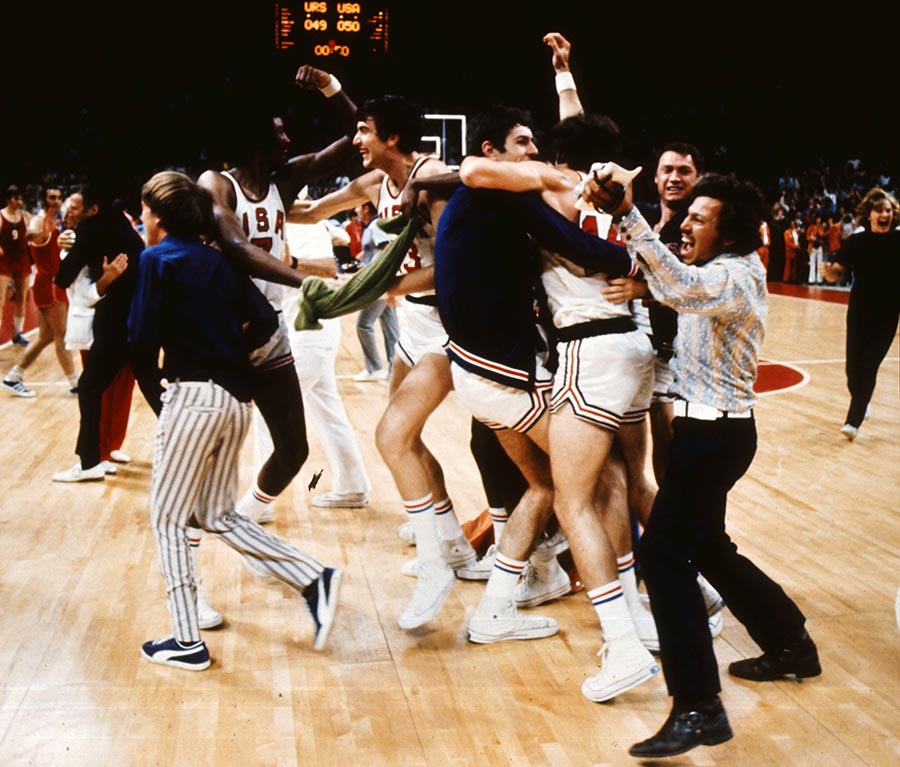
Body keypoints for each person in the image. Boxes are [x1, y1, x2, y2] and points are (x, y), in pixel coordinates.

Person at [583, 167, 820, 758]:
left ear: (729, 232)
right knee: (708, 547)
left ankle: (698, 706)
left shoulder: (731, 275)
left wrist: (628, 215)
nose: (684, 224)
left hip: (714, 437)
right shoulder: (724, 270)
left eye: (698, 218)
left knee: (662, 556)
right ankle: (790, 642)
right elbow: (677, 285)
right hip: (710, 432)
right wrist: (645, 283)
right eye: (686, 215)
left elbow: (684, 286)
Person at [130, 171, 341, 670]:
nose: (141, 220)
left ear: (157, 218)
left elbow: (139, 340)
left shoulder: (155, 259)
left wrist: (163, 403)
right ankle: (313, 577)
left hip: (192, 397)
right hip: (236, 402)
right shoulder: (221, 261)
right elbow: (264, 323)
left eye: (143, 212)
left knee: (167, 519)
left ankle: (186, 640)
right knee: (217, 515)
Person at [289, 95, 477, 630]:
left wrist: (385, 284)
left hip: (448, 323)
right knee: (405, 440)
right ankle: (452, 542)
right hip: (412, 324)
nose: (355, 141)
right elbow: (310, 211)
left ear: (392, 137)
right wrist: (247, 201)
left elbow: (452, 267)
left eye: (364, 131)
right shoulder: (376, 183)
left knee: (392, 435)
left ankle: (437, 567)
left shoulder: (433, 181)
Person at [197, 64, 360, 525]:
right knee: (208, 434)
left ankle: (247, 513)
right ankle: (188, 513)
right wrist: (304, 280)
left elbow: (358, 139)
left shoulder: (284, 182)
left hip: (269, 323)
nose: (288, 140)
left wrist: (331, 88)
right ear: (255, 141)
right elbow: (236, 246)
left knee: (293, 447)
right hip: (220, 327)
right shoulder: (216, 183)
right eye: (279, 133)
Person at [251, 218, 372, 509]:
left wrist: (291, 261)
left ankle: (258, 504)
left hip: (309, 330)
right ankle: (353, 485)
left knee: (269, 413)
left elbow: (329, 268)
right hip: (307, 329)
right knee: (328, 412)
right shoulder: (286, 219)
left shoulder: (301, 223)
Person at [52, 179, 162, 482]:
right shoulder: (125, 226)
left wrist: (72, 251)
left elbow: (62, 279)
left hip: (113, 322)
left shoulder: (90, 230)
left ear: (92, 209)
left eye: (78, 207)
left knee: (90, 387)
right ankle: (189, 447)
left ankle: (90, 462)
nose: (73, 212)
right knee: (152, 388)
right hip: (143, 320)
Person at [819, 187, 900, 440]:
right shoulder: (856, 242)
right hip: (859, 311)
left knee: (868, 366)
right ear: (869, 214)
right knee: (852, 368)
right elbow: (837, 271)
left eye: (888, 210)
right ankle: (862, 402)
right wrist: (828, 272)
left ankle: (853, 421)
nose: (884, 214)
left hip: (888, 313)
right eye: (879, 210)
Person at [2, 186, 79, 396]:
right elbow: (32, 235)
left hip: (55, 283)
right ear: (44, 199)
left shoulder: (57, 220)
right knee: (62, 335)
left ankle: (13, 377)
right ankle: (74, 383)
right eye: (51, 197)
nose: (56, 200)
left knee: (45, 337)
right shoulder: (39, 220)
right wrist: (40, 233)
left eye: (58, 197)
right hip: (48, 284)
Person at [352, 201, 399, 381]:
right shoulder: (373, 227)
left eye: (358, 207)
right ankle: (394, 370)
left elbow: (387, 250)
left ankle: (374, 369)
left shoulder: (375, 226)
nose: (355, 210)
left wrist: (385, 282)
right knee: (390, 326)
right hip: (384, 283)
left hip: (377, 283)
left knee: (363, 324)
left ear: (366, 209)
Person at [0, 185, 33, 347]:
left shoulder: (25, 216)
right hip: (4, 261)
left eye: (21, 199)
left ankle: (17, 333)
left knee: (21, 298)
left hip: (21, 260)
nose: (19, 202)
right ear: (8, 199)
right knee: (0, 300)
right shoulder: (1, 216)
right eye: (15, 199)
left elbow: (34, 235)